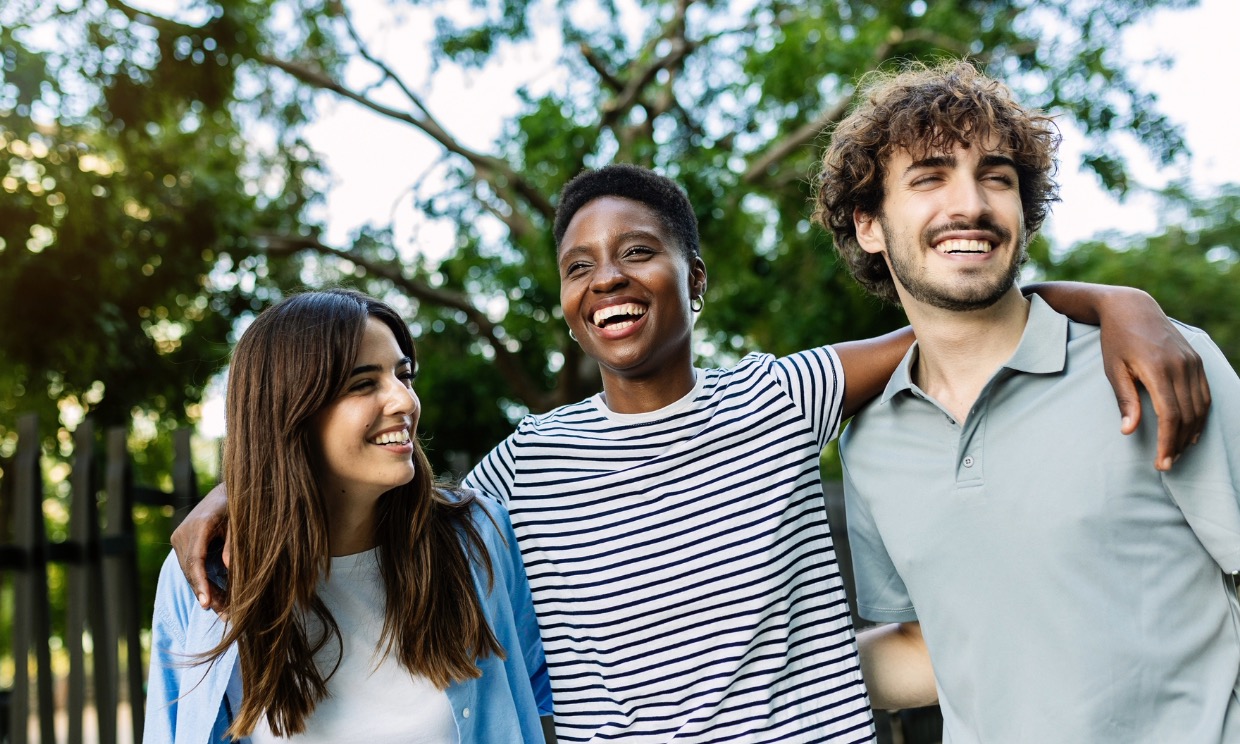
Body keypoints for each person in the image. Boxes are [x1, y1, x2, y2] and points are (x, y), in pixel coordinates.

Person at [172, 166, 1211, 742]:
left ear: (693, 277)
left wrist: (1122, 302)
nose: (607, 279)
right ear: (567, 305)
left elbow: (962, 318)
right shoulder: (528, 465)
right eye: (580, 266)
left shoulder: (780, 395)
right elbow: (375, 477)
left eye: (637, 252)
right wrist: (241, 487)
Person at [816, 60, 1240, 742]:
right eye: (929, 177)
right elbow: (939, 649)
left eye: (997, 178)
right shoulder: (870, 443)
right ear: (869, 224)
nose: (971, 205)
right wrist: (746, 670)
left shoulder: (1159, 363)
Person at [144, 289, 552, 743]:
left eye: (404, 375)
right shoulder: (202, 580)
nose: (404, 401)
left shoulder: (477, 539)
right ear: (292, 411)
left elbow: (542, 706)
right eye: (363, 383)